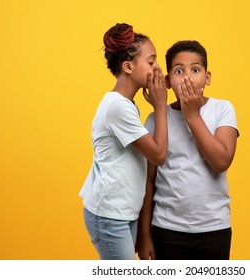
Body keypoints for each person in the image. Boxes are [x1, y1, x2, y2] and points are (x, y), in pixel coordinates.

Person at [137, 40, 239, 260]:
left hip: (214, 227)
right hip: (166, 228)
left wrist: (192, 115)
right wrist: (144, 234)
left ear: (207, 77)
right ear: (167, 81)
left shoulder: (222, 109)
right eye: (178, 70)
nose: (187, 77)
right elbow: (148, 180)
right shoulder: (157, 119)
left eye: (195, 69)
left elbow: (222, 161)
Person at [79, 23, 168, 260]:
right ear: (128, 66)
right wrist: (160, 105)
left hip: (122, 211)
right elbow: (158, 155)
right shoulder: (117, 107)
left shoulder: (126, 104)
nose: (157, 68)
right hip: (109, 215)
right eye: (151, 62)